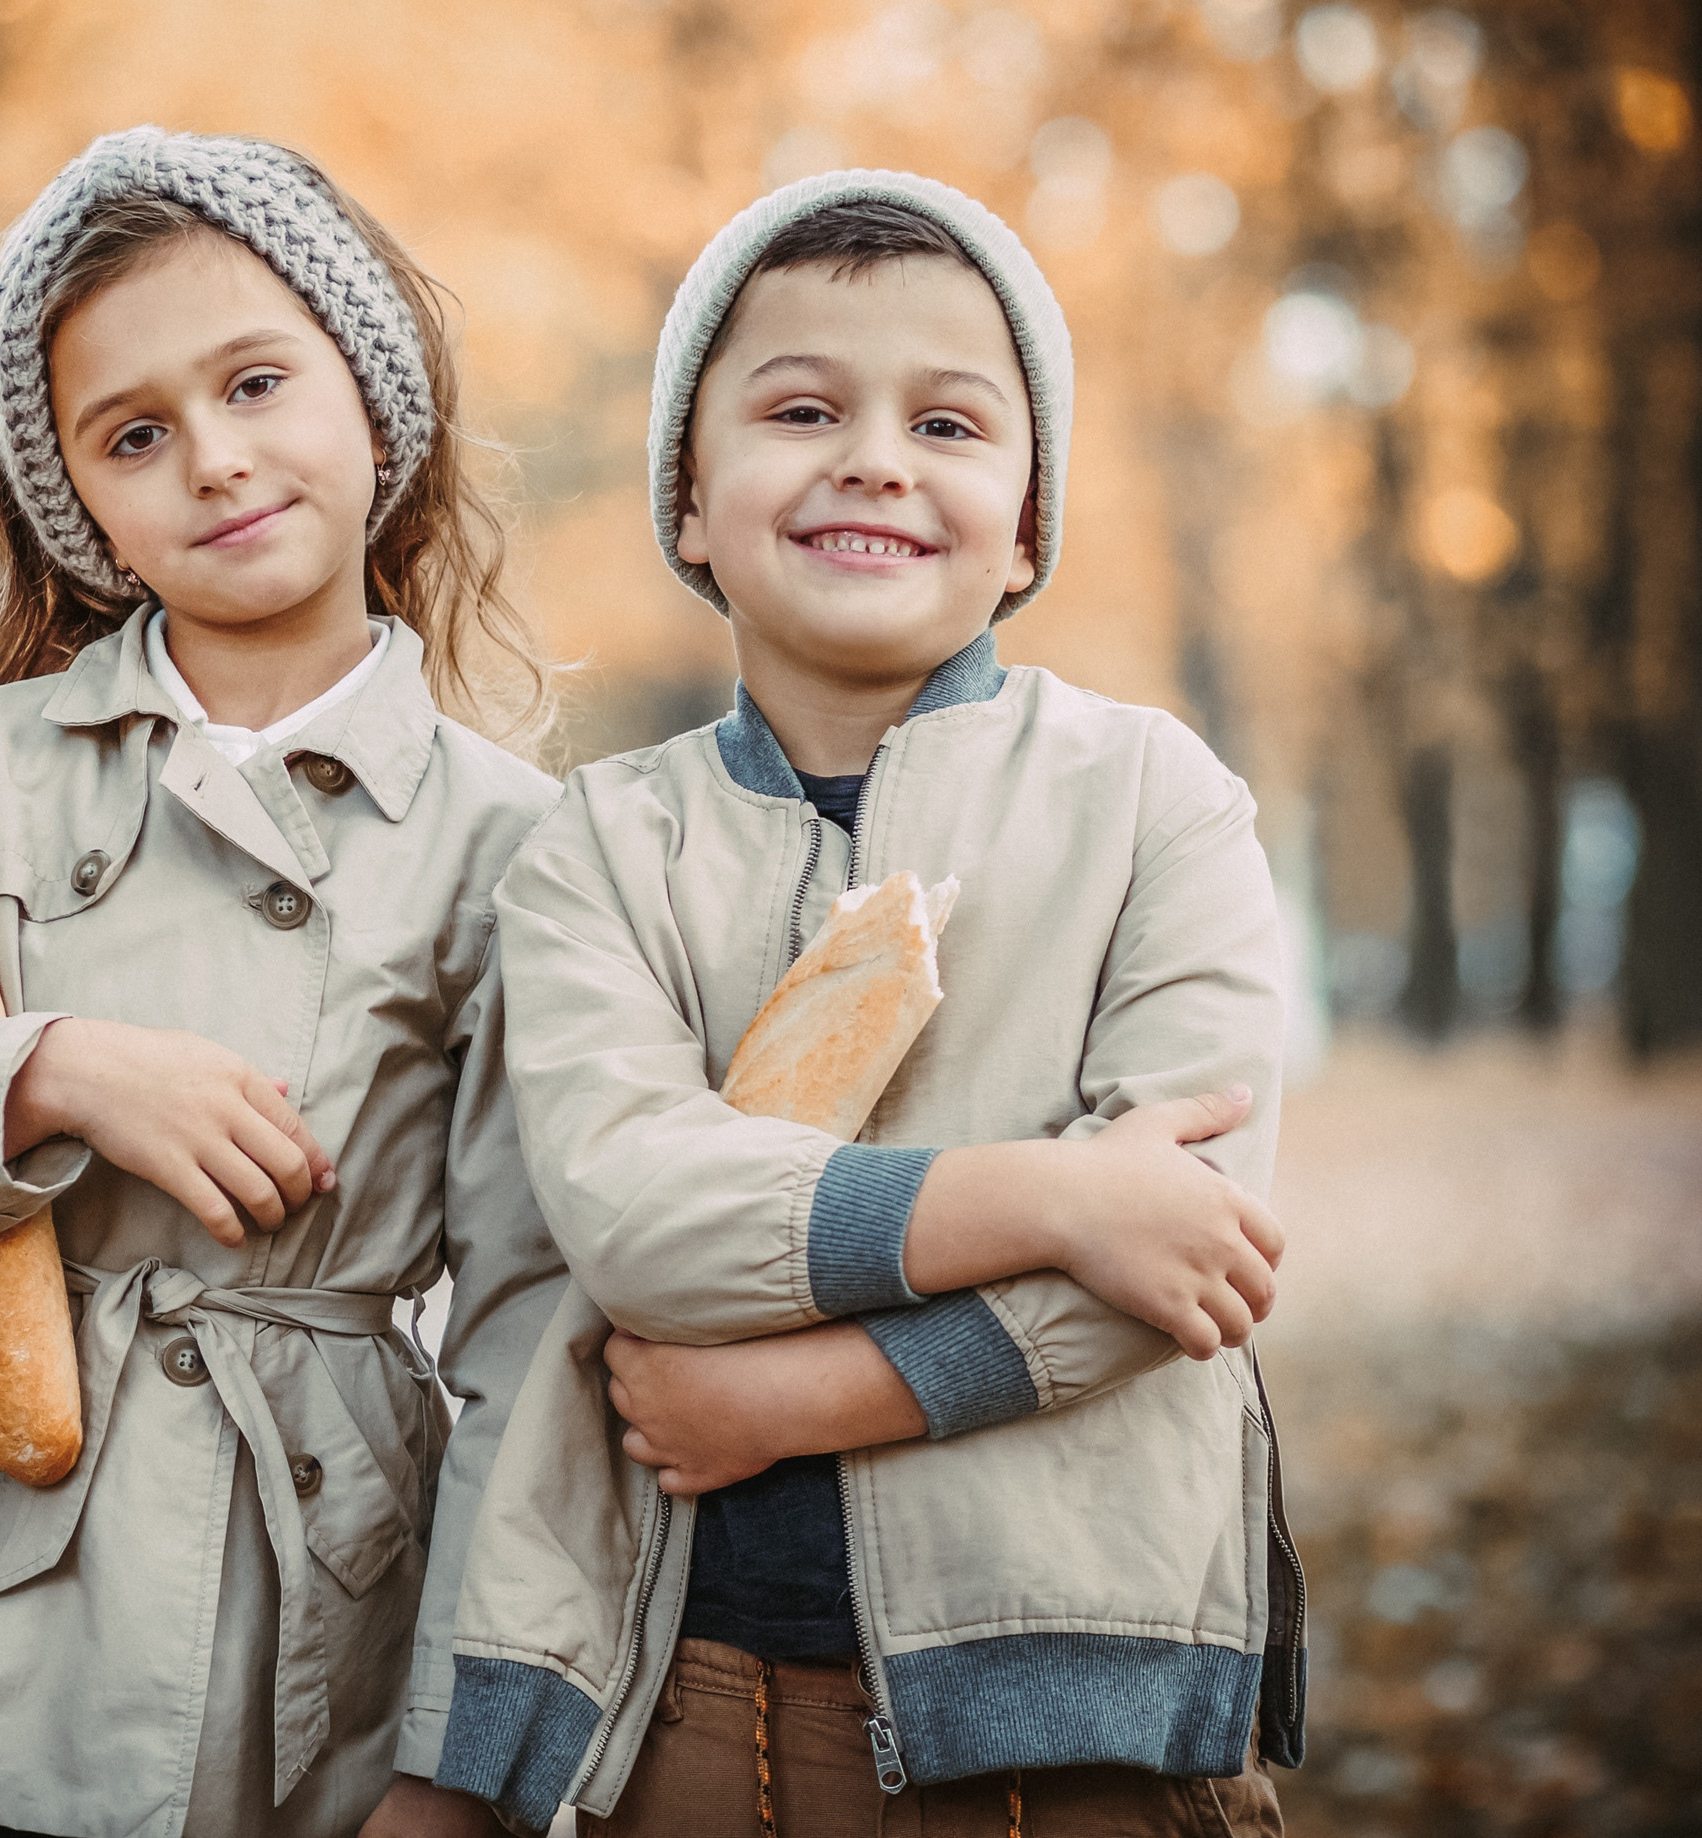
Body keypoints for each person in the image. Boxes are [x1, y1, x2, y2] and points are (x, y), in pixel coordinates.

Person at [0, 127, 566, 1838]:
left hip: (316, 1623)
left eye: (258, 381)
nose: (215, 459)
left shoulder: (521, 844)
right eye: (134, 434)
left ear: (371, 394)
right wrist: (42, 1072)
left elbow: (534, 1327)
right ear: (83, 504)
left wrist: (461, 1758)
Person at [431, 173, 1303, 1836]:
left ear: (1033, 520)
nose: (876, 456)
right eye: (804, 408)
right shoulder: (602, 848)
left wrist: (786, 1398)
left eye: (950, 422)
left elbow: (1188, 1263)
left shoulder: (1152, 800)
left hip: (1084, 1722)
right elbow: (637, 1215)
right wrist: (1052, 1193)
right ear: (690, 503)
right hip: (693, 1709)